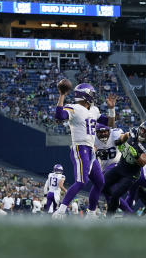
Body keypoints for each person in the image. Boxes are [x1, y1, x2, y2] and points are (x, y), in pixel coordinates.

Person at [51, 83, 117, 219]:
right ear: (86, 95)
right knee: (81, 181)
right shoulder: (73, 108)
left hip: (91, 150)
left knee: (100, 182)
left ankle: (91, 213)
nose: (93, 97)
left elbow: (110, 124)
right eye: (91, 94)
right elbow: (59, 115)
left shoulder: (94, 110)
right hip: (80, 148)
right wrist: (62, 95)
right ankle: (60, 211)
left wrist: (111, 109)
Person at [101, 121, 146, 216]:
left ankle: (109, 217)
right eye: (141, 130)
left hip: (131, 175)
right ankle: (117, 203)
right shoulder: (134, 131)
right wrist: (118, 142)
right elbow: (126, 135)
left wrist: (135, 154)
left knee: (116, 195)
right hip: (120, 166)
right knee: (102, 184)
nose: (141, 132)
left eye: (145, 131)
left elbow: (143, 162)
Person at [87, 125, 132, 217]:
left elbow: (121, 139)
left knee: (103, 185)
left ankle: (129, 213)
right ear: (96, 132)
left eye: (105, 132)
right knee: (109, 194)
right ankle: (117, 216)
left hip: (117, 165)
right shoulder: (93, 138)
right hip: (103, 169)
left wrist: (126, 135)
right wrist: (95, 151)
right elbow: (90, 151)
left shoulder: (115, 133)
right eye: (100, 132)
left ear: (109, 131)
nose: (103, 134)